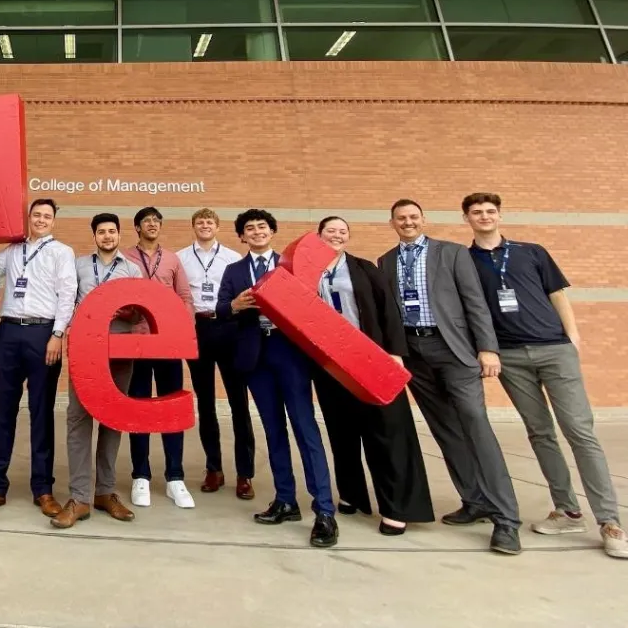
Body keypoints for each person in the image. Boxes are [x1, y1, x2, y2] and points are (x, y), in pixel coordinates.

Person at [462, 192, 625, 558]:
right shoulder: (464, 260)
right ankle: (567, 510)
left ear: (499, 215)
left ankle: (610, 521)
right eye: (477, 212)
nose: (484, 216)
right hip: (509, 356)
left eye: (490, 211)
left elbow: (558, 295)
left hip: (554, 350)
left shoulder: (531, 251)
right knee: (540, 432)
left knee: (580, 431)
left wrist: (573, 337)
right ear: (467, 219)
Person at [377, 198, 522, 556]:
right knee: (444, 428)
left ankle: (507, 520)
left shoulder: (453, 253)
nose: (408, 222)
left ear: (423, 219)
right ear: (392, 223)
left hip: (454, 350)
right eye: (401, 218)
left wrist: (488, 348)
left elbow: (475, 302)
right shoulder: (387, 261)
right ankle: (474, 500)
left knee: (475, 424)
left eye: (413, 217)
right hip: (415, 354)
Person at [217, 209, 338, 548]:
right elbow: (221, 309)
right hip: (256, 357)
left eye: (262, 226)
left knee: (304, 427)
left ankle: (324, 510)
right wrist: (236, 305)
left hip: (290, 353)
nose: (256, 231)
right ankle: (286, 499)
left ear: (271, 231)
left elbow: (314, 304)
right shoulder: (234, 270)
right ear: (242, 236)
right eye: (249, 228)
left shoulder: (290, 266)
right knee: (273, 430)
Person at [311, 216, 434, 535]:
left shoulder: (365, 269)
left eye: (342, 232)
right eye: (330, 232)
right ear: (317, 236)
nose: (336, 236)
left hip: (370, 358)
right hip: (330, 365)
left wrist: (395, 354)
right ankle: (351, 493)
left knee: (386, 430)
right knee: (342, 432)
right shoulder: (308, 273)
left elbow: (389, 311)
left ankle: (397, 507)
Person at [0, 198, 77, 519]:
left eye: (47, 215)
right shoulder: (13, 251)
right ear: (28, 218)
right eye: (37, 215)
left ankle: (43, 489)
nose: (42, 219)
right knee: (2, 411)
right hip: (8, 334)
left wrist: (58, 335)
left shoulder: (61, 252)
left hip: (42, 334)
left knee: (41, 412)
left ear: (54, 220)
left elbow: (68, 293)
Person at [52, 213, 142, 529]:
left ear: (119, 235)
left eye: (112, 231)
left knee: (113, 419)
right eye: (101, 232)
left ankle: (105, 492)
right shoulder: (77, 265)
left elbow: (139, 316)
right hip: (85, 351)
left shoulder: (132, 269)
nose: (107, 236)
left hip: (119, 353)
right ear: (94, 236)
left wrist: (127, 311)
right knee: (78, 419)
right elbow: (64, 301)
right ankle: (79, 497)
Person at [176, 208, 255, 500]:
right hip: (197, 329)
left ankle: (244, 473)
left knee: (238, 403)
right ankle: (214, 468)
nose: (205, 226)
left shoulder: (233, 258)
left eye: (209, 222)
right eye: (200, 222)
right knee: (206, 402)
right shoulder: (182, 257)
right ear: (193, 226)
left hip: (229, 327)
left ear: (217, 227)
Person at [124, 206, 196, 510]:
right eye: (147, 222)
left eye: (156, 221)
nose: (152, 225)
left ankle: (174, 477)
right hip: (137, 343)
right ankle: (140, 474)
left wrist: (183, 330)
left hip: (168, 344)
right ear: (138, 227)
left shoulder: (172, 259)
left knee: (171, 408)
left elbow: (185, 297)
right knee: (138, 407)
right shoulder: (125, 257)